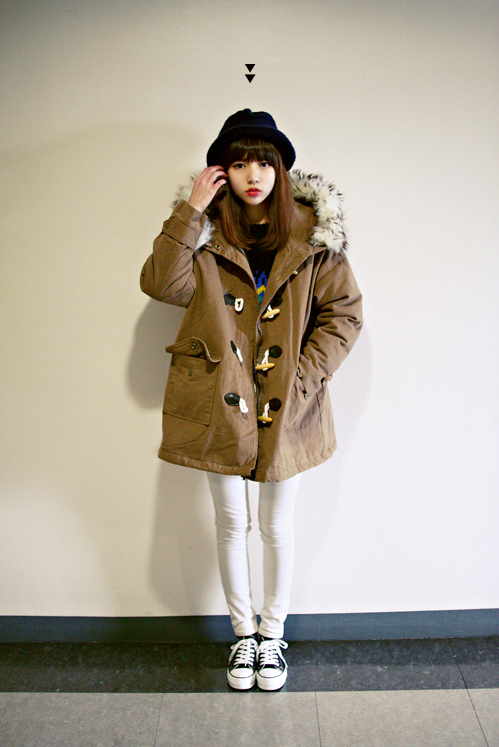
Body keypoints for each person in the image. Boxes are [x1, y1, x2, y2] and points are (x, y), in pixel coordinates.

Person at [140, 109, 363, 691]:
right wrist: (191, 211)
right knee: (231, 521)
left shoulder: (314, 236)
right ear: (222, 172)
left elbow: (343, 315)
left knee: (276, 525)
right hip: (221, 401)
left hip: (290, 406)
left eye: (264, 163)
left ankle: (273, 635)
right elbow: (161, 284)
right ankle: (243, 637)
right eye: (239, 164)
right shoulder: (205, 235)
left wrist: (302, 378)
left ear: (280, 170)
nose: (253, 175)